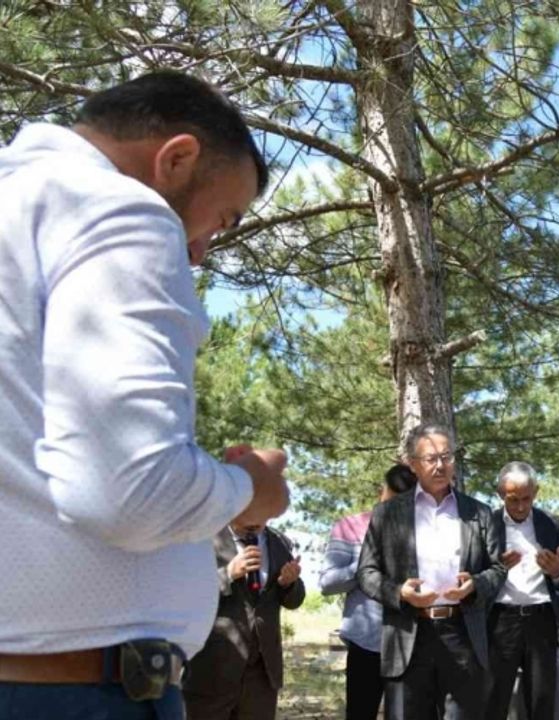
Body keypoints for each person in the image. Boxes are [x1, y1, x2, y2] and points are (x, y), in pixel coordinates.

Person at [0, 71, 289, 719]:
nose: (201, 252)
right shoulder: (117, 207)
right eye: (221, 219)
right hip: (76, 691)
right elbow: (129, 490)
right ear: (177, 158)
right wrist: (252, 489)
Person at [357, 425, 506, 720]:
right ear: (413, 464)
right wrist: (400, 592)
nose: (440, 465)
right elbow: (366, 572)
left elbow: (499, 569)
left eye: (446, 456)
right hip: (408, 635)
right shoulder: (388, 513)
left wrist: (475, 585)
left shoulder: (479, 512)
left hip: (462, 635)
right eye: (431, 458)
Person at [319, 464, 418, 720]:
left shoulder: (425, 531)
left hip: (411, 643)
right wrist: (367, 562)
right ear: (380, 492)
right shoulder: (349, 527)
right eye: (391, 500)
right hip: (365, 643)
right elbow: (328, 583)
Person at [182, 522, 306, 719]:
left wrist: (288, 584)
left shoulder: (279, 542)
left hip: (262, 672)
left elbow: (294, 600)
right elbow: (184, 592)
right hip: (211, 669)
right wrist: (228, 574)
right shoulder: (202, 537)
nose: (256, 520)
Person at [487, 462, 559, 720]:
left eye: (527, 498)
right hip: (500, 621)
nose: (521, 506)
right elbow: (476, 578)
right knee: (494, 699)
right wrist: (498, 569)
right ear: (500, 494)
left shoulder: (550, 523)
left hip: (541, 620)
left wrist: (556, 572)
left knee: (541, 701)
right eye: (513, 499)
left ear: (536, 492)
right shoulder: (487, 523)